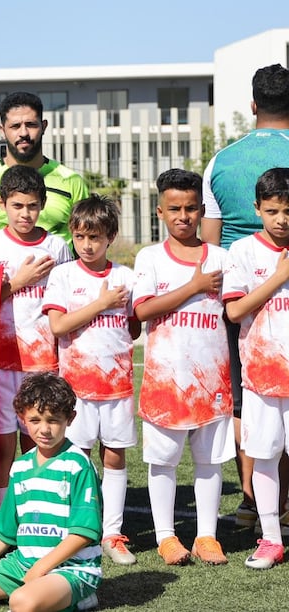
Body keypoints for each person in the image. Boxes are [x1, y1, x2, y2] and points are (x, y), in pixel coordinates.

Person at [202, 64, 289, 528]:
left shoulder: (221, 161)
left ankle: (251, 501)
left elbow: (211, 245)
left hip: (241, 298)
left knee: (246, 400)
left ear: (253, 105)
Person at [132, 169, 232, 566]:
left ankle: (207, 536)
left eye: (191, 208)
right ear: (160, 211)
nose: (183, 216)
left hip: (213, 379)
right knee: (163, 460)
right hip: (166, 380)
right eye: (174, 209)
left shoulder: (221, 258)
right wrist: (193, 286)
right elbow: (143, 310)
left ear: (202, 210)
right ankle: (166, 537)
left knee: (210, 461)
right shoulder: (150, 258)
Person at [0, 372, 101, 612]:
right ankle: (38, 593)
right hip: (22, 564)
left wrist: (40, 569)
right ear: (22, 419)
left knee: (22, 601)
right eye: (35, 420)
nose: (44, 429)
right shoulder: (20, 467)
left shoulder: (78, 465)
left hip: (71, 569)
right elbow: (5, 533)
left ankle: (81, 597)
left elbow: (83, 534)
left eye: (53, 420)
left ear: (70, 419)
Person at [0, 166, 72, 515]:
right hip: (0, 362)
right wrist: (17, 282)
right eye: (17, 206)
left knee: (39, 442)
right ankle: (1, 518)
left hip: (43, 364)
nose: (25, 214)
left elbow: (68, 300)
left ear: (43, 204)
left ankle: (38, 511)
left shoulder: (56, 246)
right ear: (2, 204)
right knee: (2, 448)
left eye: (32, 206)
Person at [41, 195, 140, 566]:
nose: (86, 245)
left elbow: (134, 326)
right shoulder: (64, 275)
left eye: (95, 237)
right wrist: (101, 303)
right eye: (80, 237)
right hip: (76, 390)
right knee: (77, 459)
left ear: (110, 237)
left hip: (117, 387)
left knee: (114, 455)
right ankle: (78, 532)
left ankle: (113, 533)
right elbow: (58, 326)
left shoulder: (126, 277)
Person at [222, 167, 289, 569]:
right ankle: (271, 539)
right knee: (264, 456)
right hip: (262, 378)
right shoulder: (243, 252)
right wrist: (279, 277)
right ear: (257, 209)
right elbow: (234, 311)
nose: (281, 219)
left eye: (288, 211)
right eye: (273, 211)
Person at [0, 92, 90, 264]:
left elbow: (88, 240)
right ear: (2, 130)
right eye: (15, 126)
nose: (23, 133)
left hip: (57, 278)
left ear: (43, 126)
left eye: (31, 125)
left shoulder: (71, 182)